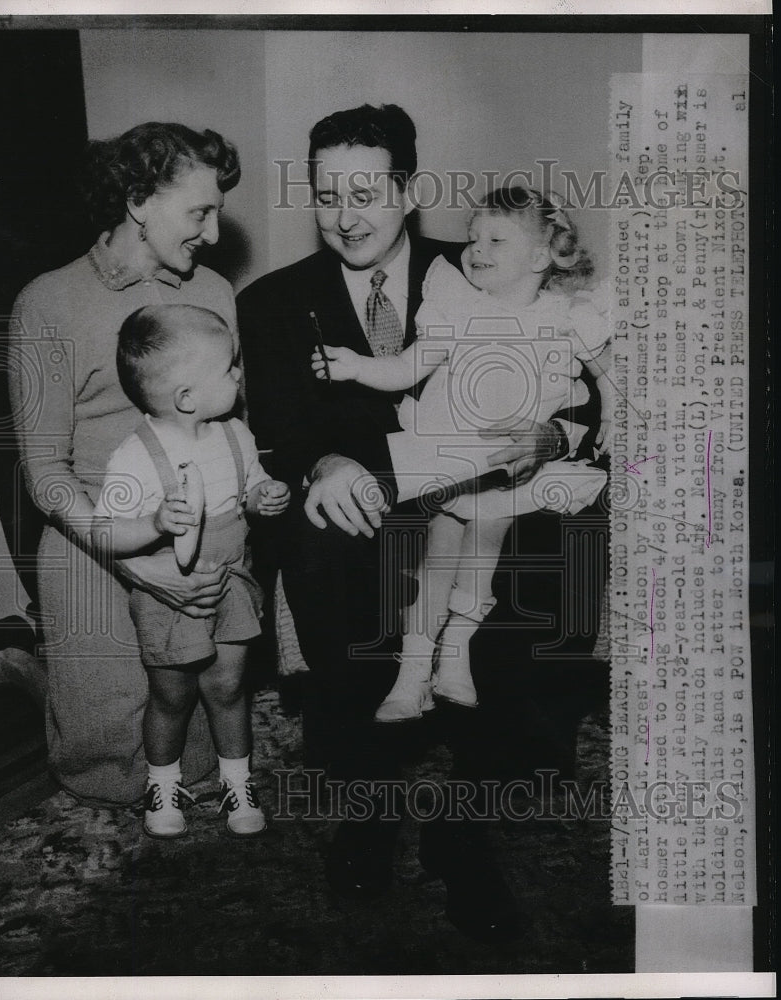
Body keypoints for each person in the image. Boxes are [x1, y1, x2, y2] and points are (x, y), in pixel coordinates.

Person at [237, 104, 602, 941]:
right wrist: (321, 465)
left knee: (559, 534)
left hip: (483, 486)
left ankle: (470, 813)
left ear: (407, 191)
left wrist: (550, 436)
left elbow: (581, 385)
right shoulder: (272, 302)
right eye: (328, 195)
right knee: (320, 541)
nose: (346, 216)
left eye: (367, 193)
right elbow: (280, 434)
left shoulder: (481, 263)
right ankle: (370, 800)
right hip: (366, 496)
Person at [8, 122, 246, 804]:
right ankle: (42, 669)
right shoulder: (47, 302)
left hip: (192, 524)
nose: (213, 233)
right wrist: (133, 559)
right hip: (90, 535)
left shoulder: (214, 294)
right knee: (111, 772)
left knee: (197, 758)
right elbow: (44, 471)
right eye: (199, 213)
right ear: (139, 201)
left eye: (218, 213)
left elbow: (232, 426)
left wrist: (219, 548)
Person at [312, 185, 610, 721]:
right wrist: (355, 366)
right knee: (439, 561)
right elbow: (405, 369)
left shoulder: (567, 317)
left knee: (480, 564)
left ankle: (455, 653)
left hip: (511, 465)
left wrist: (609, 411)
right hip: (449, 457)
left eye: (495, 240)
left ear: (539, 257)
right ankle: (411, 671)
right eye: (473, 238)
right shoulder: (455, 304)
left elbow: (605, 372)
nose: (475, 249)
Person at [92, 304, 289, 837]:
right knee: (172, 696)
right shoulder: (135, 456)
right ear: (186, 397)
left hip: (232, 582)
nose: (238, 374)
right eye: (228, 368)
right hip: (168, 595)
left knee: (228, 687)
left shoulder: (235, 435)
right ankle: (163, 785)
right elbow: (105, 532)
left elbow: (248, 489)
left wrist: (262, 496)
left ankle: (237, 783)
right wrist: (154, 522)